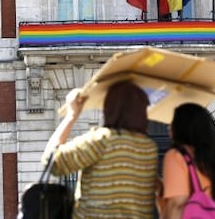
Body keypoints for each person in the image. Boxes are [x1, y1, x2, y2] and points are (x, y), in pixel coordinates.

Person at [42, 80, 158, 219]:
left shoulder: (102, 140)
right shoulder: (149, 148)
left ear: (111, 109)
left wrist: (72, 115)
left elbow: (52, 162)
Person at [157, 103, 215, 219]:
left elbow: (177, 205)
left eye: (173, 122)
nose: (169, 128)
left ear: (182, 127)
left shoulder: (177, 156)